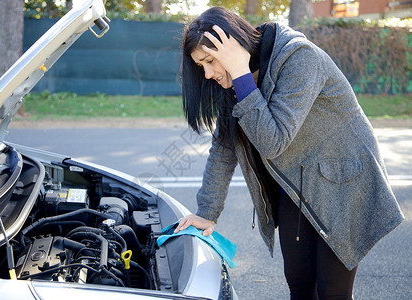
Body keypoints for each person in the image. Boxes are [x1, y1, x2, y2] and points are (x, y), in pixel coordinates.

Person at [173, 6, 404, 300]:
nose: (207, 74)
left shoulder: (299, 58)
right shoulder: (233, 82)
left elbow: (273, 141)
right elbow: (224, 148)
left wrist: (242, 73)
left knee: (332, 291)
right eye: (200, 66)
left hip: (344, 178)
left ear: (232, 47)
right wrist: (207, 213)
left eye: (209, 61)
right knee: (299, 282)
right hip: (297, 181)